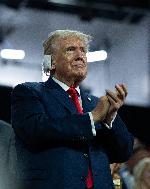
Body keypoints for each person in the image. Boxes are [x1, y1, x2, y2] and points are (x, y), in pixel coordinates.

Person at [11, 30, 134, 189]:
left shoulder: (96, 103)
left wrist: (109, 120)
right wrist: (92, 118)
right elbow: (35, 131)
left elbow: (124, 153)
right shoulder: (29, 92)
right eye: (70, 49)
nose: (80, 55)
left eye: (83, 50)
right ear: (52, 62)